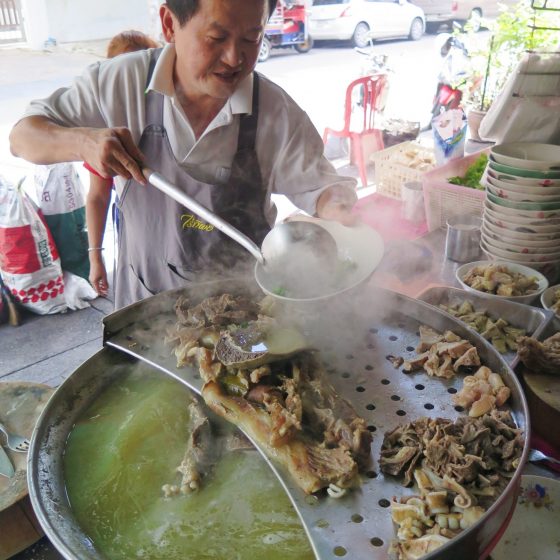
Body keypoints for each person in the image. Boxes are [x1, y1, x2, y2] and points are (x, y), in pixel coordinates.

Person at [10, 0, 358, 309]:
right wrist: (83, 142)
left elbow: (323, 187)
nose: (235, 58)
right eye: (216, 37)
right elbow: (22, 137)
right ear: (169, 24)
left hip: (250, 316)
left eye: (252, 38)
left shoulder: (274, 109)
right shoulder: (121, 83)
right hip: (146, 312)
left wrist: (339, 209)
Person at [86, 30, 160, 297]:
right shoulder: (109, 131)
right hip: (136, 228)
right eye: (123, 72)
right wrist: (95, 257)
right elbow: (97, 196)